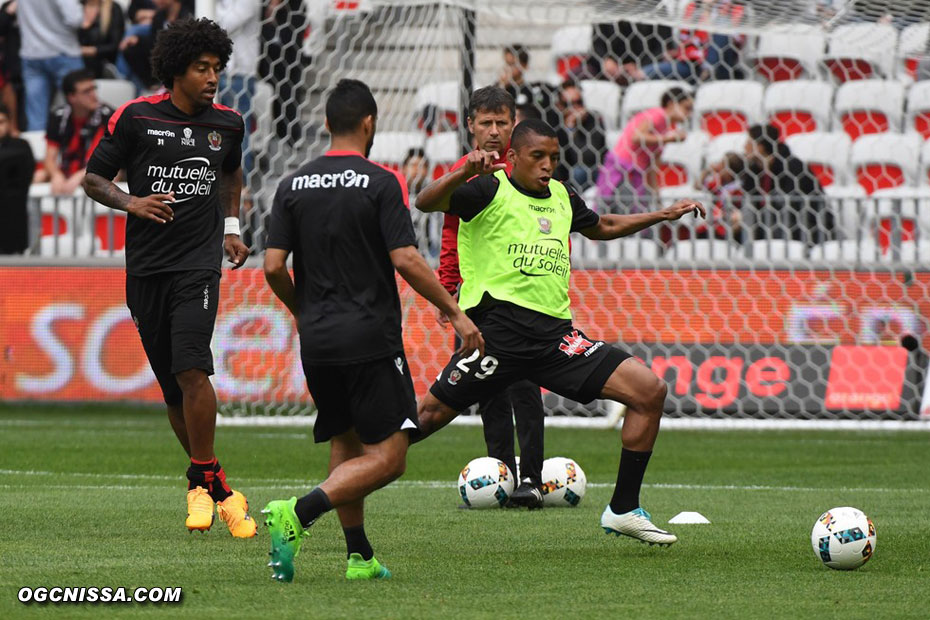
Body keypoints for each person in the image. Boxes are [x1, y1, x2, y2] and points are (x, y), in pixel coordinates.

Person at [415, 118, 706, 545]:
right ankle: (347, 480)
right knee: (423, 419)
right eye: (538, 157)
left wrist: (662, 215)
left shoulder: (563, 196)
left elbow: (601, 227)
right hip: (497, 338)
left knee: (649, 392)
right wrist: (462, 172)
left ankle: (623, 509)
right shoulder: (487, 189)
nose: (548, 165)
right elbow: (425, 202)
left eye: (554, 157)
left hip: (556, 341)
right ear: (512, 157)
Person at [260, 79, 483, 582]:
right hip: (368, 338)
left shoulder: (291, 184)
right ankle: (298, 512)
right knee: (391, 458)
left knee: (347, 439)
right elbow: (404, 257)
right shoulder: (382, 182)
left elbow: (273, 266)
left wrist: (303, 311)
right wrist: (455, 311)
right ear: (369, 124)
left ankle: (359, 556)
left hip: (317, 341)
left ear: (325, 125)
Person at [82, 17, 255, 538]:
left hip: (198, 266)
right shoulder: (135, 118)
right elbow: (93, 177)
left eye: (217, 69)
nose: (212, 78)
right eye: (202, 68)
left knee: (192, 370)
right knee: (172, 390)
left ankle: (199, 483)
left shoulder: (229, 123)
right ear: (175, 71)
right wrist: (132, 201)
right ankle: (215, 484)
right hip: (146, 269)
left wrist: (230, 227)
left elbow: (231, 172)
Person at [437, 86, 548, 509]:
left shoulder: (530, 168)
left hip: (526, 302)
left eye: (503, 122)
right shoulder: (461, 175)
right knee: (489, 392)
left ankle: (533, 479)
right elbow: (452, 237)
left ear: (514, 123)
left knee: (525, 387)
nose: (495, 131)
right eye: (486, 122)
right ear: (471, 126)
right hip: (479, 304)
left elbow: (552, 225)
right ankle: (503, 473)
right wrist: (447, 293)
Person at [595, 87, 693, 214]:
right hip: (623, 170)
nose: (689, 114)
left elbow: (652, 166)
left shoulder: (665, 127)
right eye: (686, 108)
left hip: (635, 174)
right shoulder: (658, 115)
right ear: (671, 104)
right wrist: (668, 138)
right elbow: (637, 137)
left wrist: (656, 194)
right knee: (625, 216)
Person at [741, 123, 831, 245]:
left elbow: (790, 205)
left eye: (748, 143)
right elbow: (749, 197)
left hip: (802, 227)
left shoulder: (793, 167)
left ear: (760, 147)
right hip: (766, 226)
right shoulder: (754, 170)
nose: (744, 147)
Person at [40, 69, 113, 196]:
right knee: (39, 175)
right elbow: (49, 158)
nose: (93, 95)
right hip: (68, 170)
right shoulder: (58, 116)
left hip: (98, 172)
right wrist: (56, 175)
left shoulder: (110, 116)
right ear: (71, 97)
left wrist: (80, 176)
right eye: (86, 91)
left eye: (93, 89)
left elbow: (110, 161)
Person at [17, 0, 85, 131]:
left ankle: (40, 151)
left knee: (36, 116)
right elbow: (75, 18)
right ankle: (77, 148)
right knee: (78, 109)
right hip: (63, 52)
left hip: (32, 53)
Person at [216, 0, 260, 188]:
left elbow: (224, 25)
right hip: (219, 70)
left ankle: (242, 187)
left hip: (240, 73)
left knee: (239, 133)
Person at [121, 0, 192, 91]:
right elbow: (153, 40)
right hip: (162, 57)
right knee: (130, 49)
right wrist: (137, 39)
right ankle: (151, 85)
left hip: (181, 57)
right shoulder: (159, 16)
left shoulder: (188, 15)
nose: (156, 1)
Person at [553, 79, 606, 190]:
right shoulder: (554, 121)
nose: (576, 107)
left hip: (589, 172)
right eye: (569, 104)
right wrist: (568, 128)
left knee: (578, 171)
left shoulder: (593, 119)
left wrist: (573, 127)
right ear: (559, 105)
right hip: (561, 174)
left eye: (579, 102)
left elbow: (587, 157)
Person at [0, 102, 34, 254]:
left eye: (1, 122)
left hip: (12, 221)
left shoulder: (20, 146)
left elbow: (26, 174)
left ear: (9, 123)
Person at [78, 0, 126, 78]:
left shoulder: (113, 8)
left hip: (104, 58)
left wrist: (93, 50)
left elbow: (115, 44)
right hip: (79, 55)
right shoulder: (78, 7)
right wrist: (85, 27)